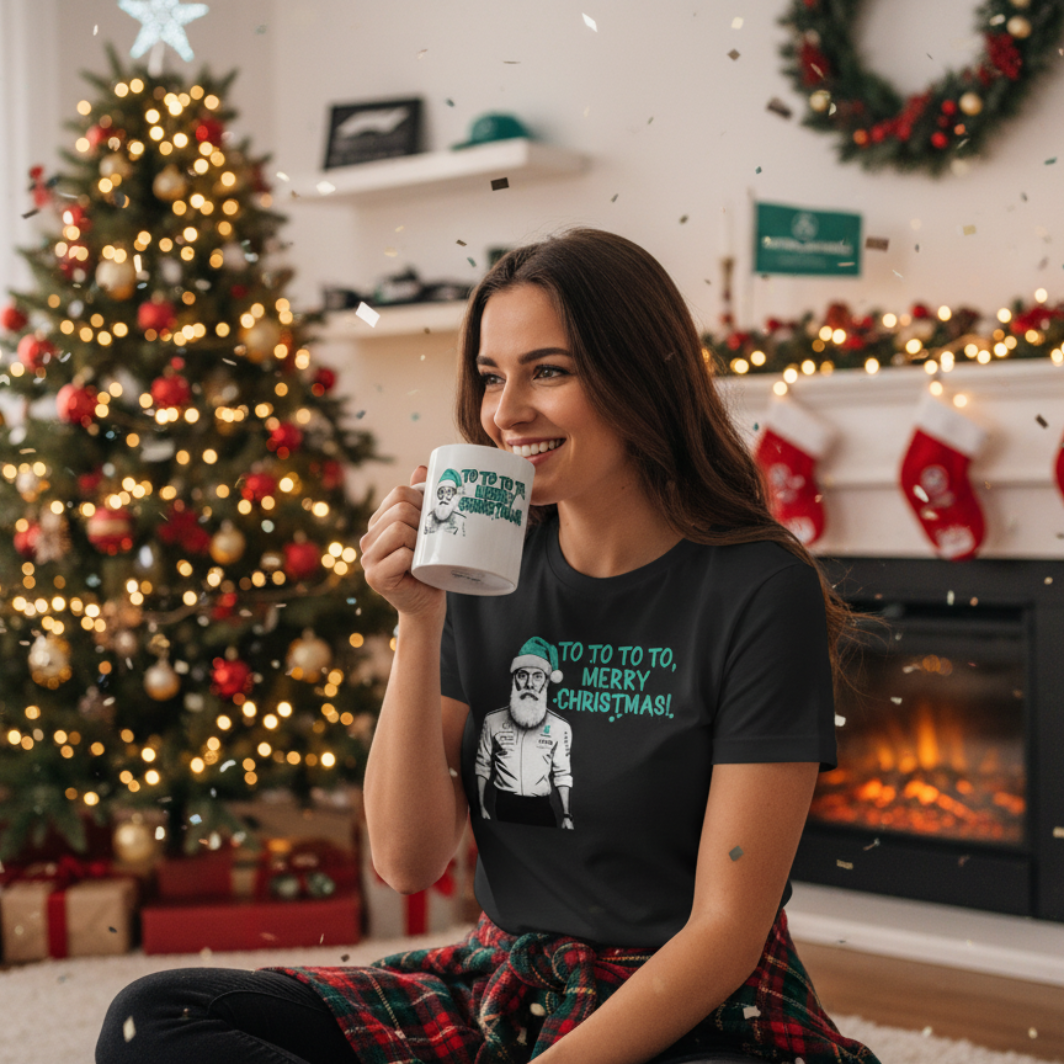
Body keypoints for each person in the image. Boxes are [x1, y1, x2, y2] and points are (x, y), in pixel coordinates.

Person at [97, 228, 881, 1064]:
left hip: (693, 1008)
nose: (506, 412)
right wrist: (417, 619)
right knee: (160, 1017)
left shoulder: (758, 589)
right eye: (490, 376)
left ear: (641, 375)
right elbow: (406, 859)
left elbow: (725, 934)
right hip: (504, 987)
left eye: (549, 370)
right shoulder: (486, 564)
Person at [475, 635, 574, 828]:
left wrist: (567, 815)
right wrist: (480, 805)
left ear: (546, 682)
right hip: (503, 806)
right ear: (514, 679)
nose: (529, 684)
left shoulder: (560, 727)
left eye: (537, 676)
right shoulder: (492, 720)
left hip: (541, 807)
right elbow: (482, 764)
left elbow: (562, 773)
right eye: (522, 675)